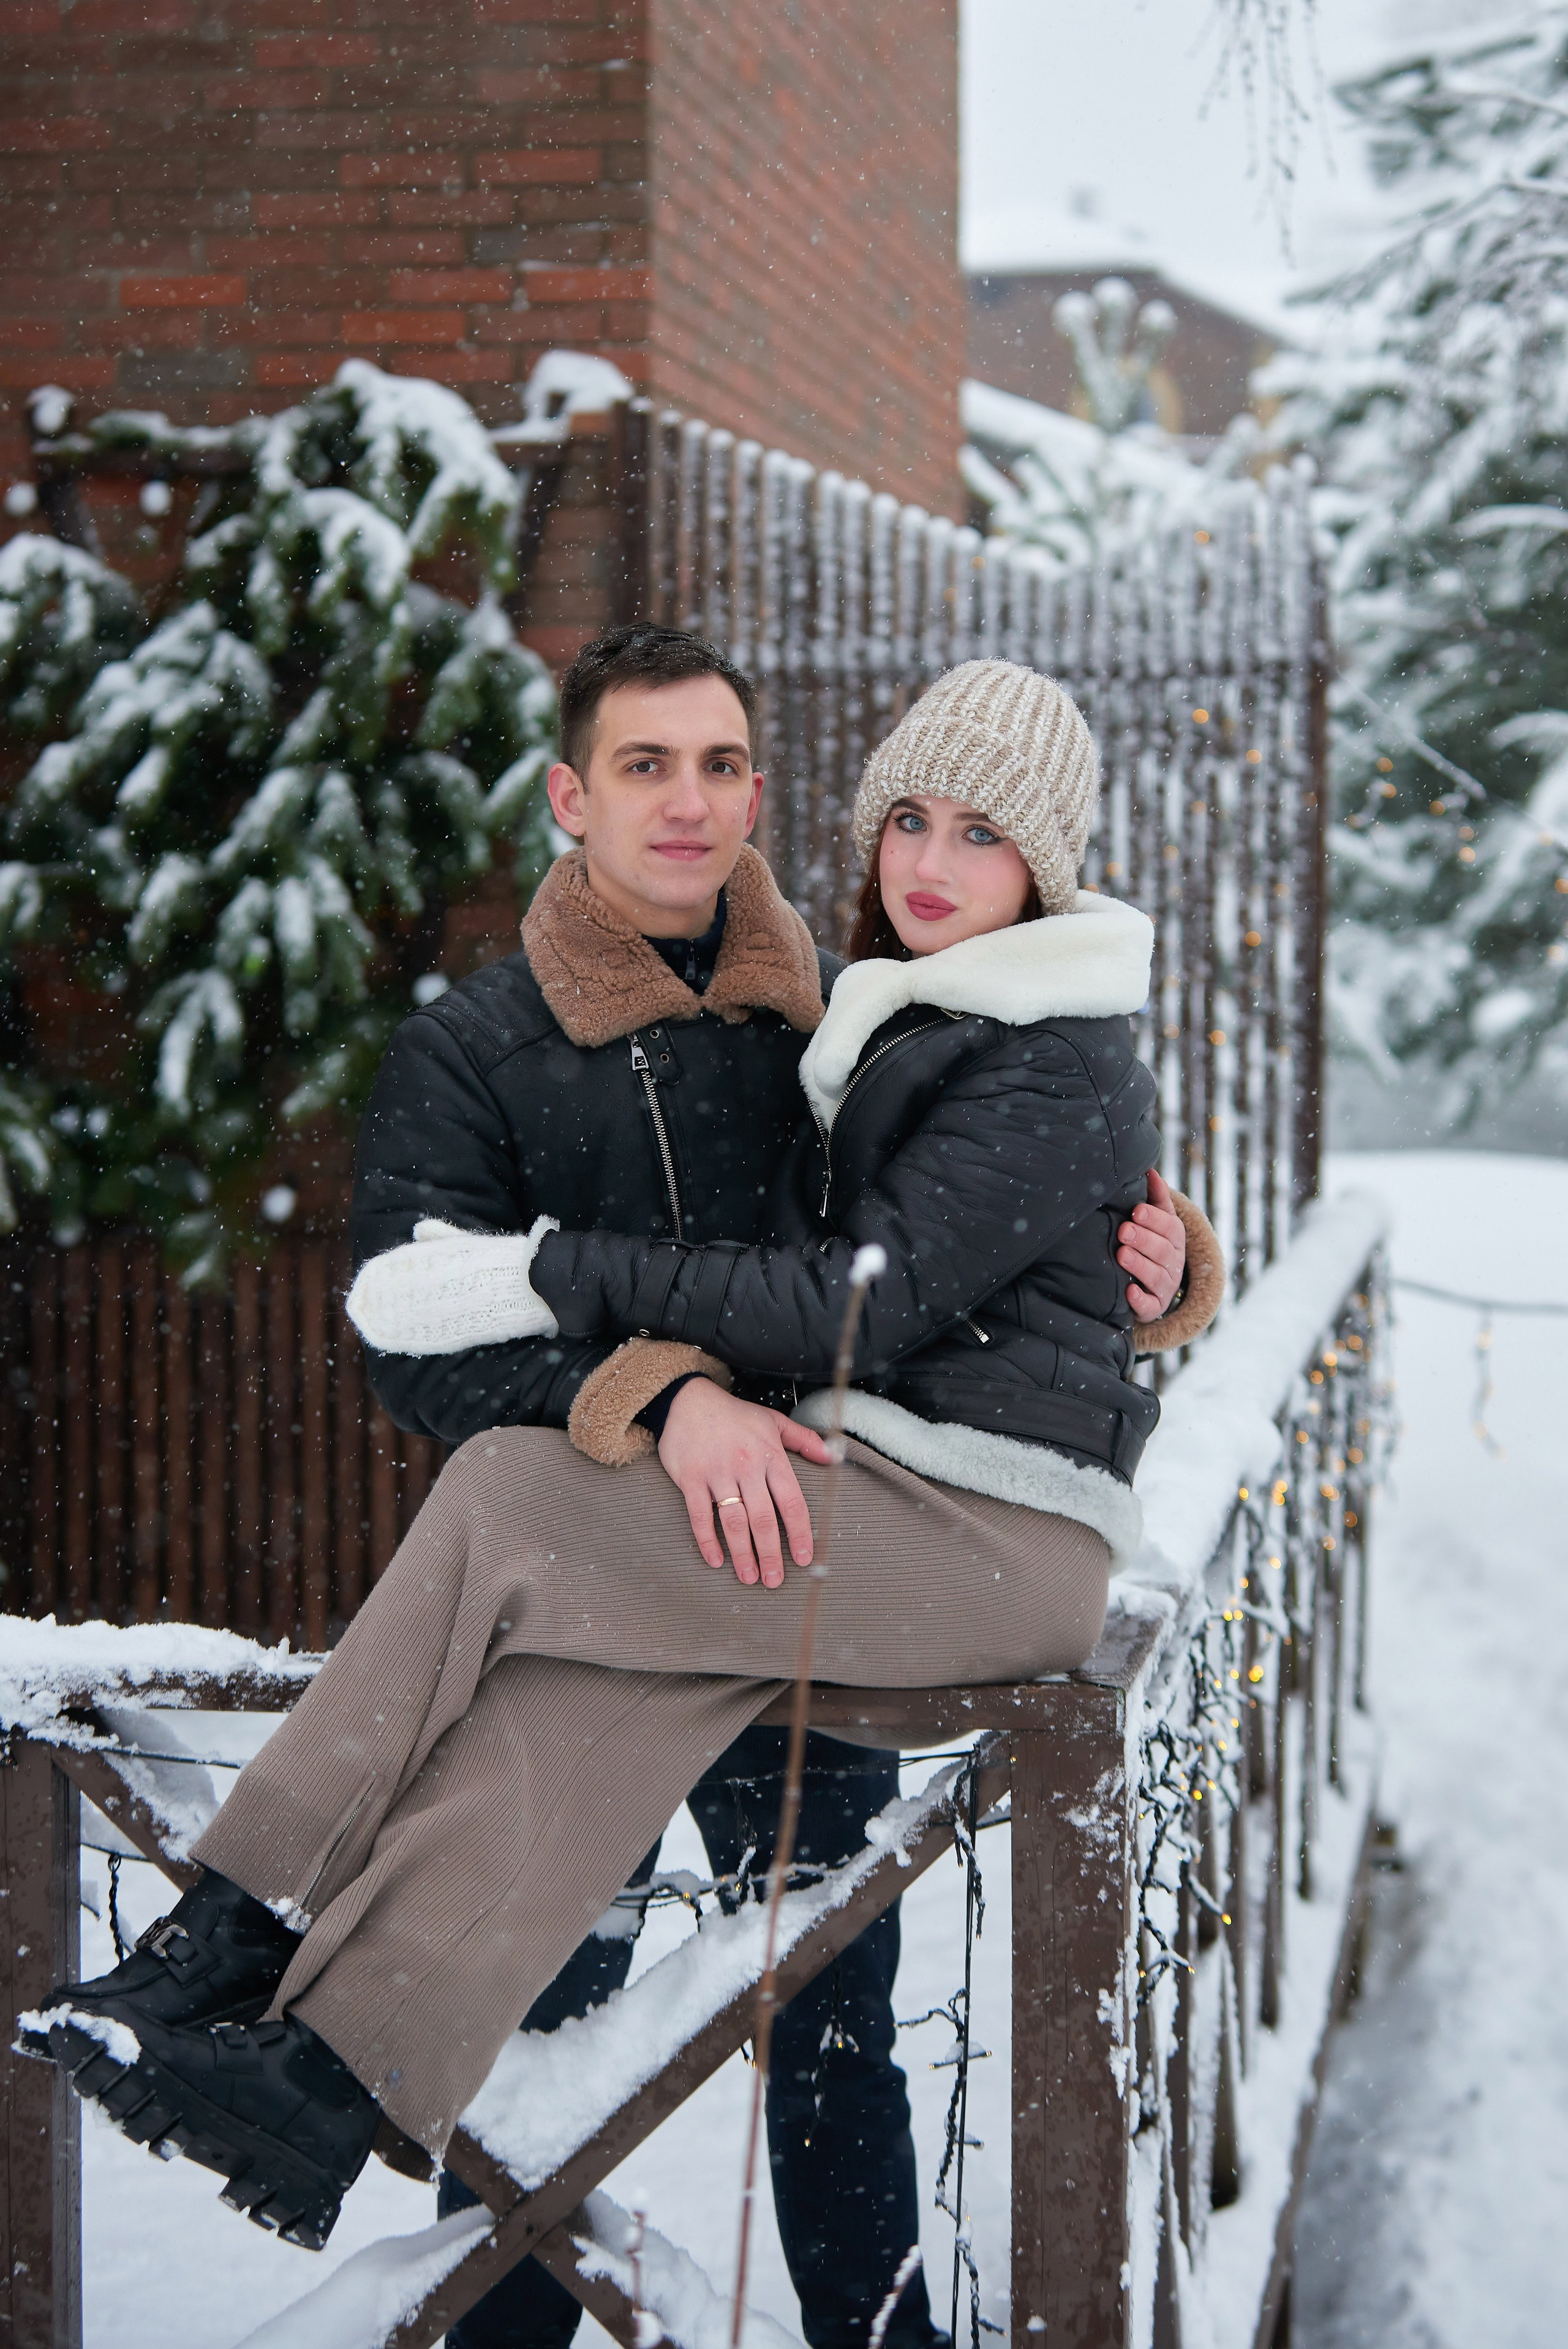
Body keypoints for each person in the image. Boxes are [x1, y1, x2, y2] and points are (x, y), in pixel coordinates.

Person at [29, 643, 1204, 2343]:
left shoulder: (818, 1012)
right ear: (573, 796)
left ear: (755, 796)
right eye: (646, 765)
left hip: (831, 1529)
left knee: (832, 2025)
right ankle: (321, 2079)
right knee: (536, 2033)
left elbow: (915, 1261)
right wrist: (663, 1399)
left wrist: (1166, 1266)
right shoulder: (481, 1049)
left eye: (722, 765)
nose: (690, 800)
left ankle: (233, 1930)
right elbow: (421, 1345)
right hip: (650, 1561)